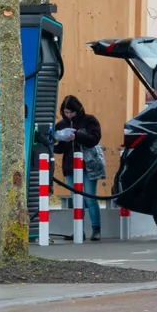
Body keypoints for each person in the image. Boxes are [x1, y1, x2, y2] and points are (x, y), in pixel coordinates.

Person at [50, 93, 105, 240]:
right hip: (70, 165)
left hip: (88, 165)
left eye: (71, 112)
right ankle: (78, 229)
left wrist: (77, 136)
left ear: (78, 110)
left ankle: (96, 228)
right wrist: (56, 143)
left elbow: (94, 139)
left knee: (90, 197)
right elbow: (60, 149)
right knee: (76, 198)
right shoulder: (61, 125)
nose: (68, 115)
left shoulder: (90, 120)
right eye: (65, 112)